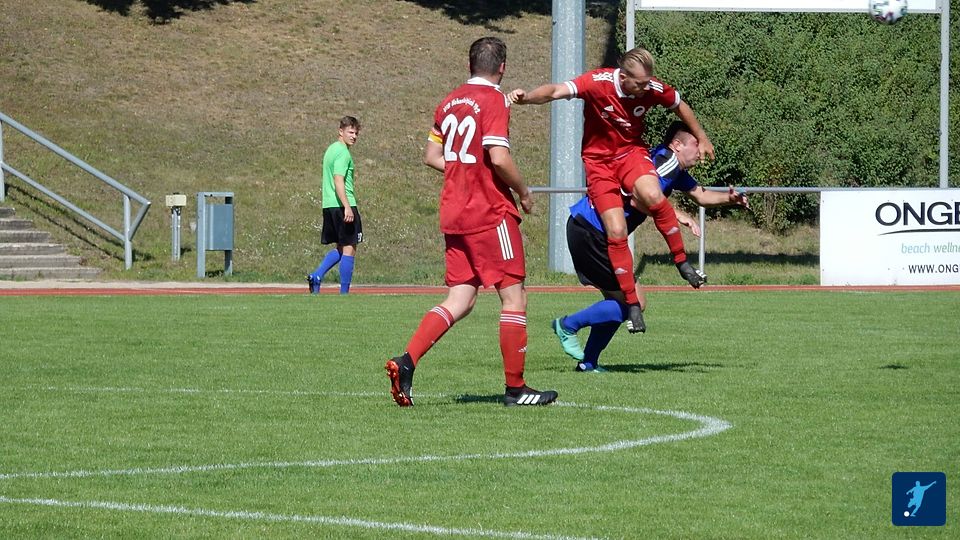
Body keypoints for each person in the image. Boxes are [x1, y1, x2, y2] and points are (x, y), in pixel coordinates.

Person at [385, 37, 558, 408]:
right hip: (489, 211)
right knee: (514, 296)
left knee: (460, 298)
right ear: (502, 67)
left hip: (454, 212)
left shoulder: (449, 101)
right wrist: (524, 191)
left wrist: (463, 171)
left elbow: (432, 155)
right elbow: (499, 157)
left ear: (469, 65)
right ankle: (516, 389)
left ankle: (407, 361)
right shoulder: (493, 100)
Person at [509, 47, 715, 333]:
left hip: (631, 153)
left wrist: (702, 137)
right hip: (599, 164)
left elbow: (680, 104)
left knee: (653, 195)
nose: (645, 89)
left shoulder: (651, 88)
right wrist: (527, 97)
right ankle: (631, 304)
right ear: (623, 76)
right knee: (616, 230)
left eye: (648, 82)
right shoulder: (597, 82)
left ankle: (682, 262)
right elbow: (556, 91)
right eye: (639, 83)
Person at [552, 121, 749, 372]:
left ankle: (588, 363)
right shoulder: (664, 164)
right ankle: (567, 325)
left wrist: (729, 199)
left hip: (591, 230)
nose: (700, 151)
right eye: (695, 144)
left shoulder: (673, 167)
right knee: (635, 302)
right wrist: (676, 213)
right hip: (593, 231)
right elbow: (639, 198)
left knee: (619, 302)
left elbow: (701, 195)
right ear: (677, 145)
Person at [307, 116, 363, 295]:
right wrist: (347, 206)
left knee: (341, 247)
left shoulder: (331, 149)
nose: (354, 136)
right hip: (342, 204)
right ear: (341, 131)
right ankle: (344, 293)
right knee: (350, 248)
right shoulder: (343, 153)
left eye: (356, 133)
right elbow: (338, 179)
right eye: (350, 132)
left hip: (329, 205)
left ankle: (317, 276)